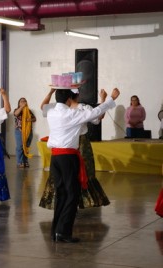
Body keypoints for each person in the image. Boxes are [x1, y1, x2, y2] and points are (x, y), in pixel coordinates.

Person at [40, 87, 120, 243]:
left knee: (62, 193)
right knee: (72, 194)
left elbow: (43, 106)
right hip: (68, 157)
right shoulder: (72, 114)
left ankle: (56, 231)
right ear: (70, 99)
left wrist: (49, 92)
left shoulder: (52, 112)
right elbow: (95, 114)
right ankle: (63, 232)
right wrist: (111, 99)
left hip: (55, 157)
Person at [39, 89, 110, 210]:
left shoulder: (60, 108)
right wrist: (104, 100)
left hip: (72, 144)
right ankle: (73, 201)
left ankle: (66, 202)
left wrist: (50, 92)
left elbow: (43, 107)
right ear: (75, 97)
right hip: (76, 143)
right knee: (80, 172)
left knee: (69, 173)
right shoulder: (78, 108)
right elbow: (98, 117)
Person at [14, 98, 36, 168]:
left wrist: (30, 119)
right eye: (22, 101)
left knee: (26, 147)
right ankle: (20, 162)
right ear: (19, 103)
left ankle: (25, 161)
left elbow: (34, 119)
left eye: (25, 101)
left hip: (28, 131)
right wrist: (21, 107)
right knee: (20, 147)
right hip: (19, 131)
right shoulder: (17, 110)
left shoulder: (29, 111)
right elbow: (16, 114)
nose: (24, 102)